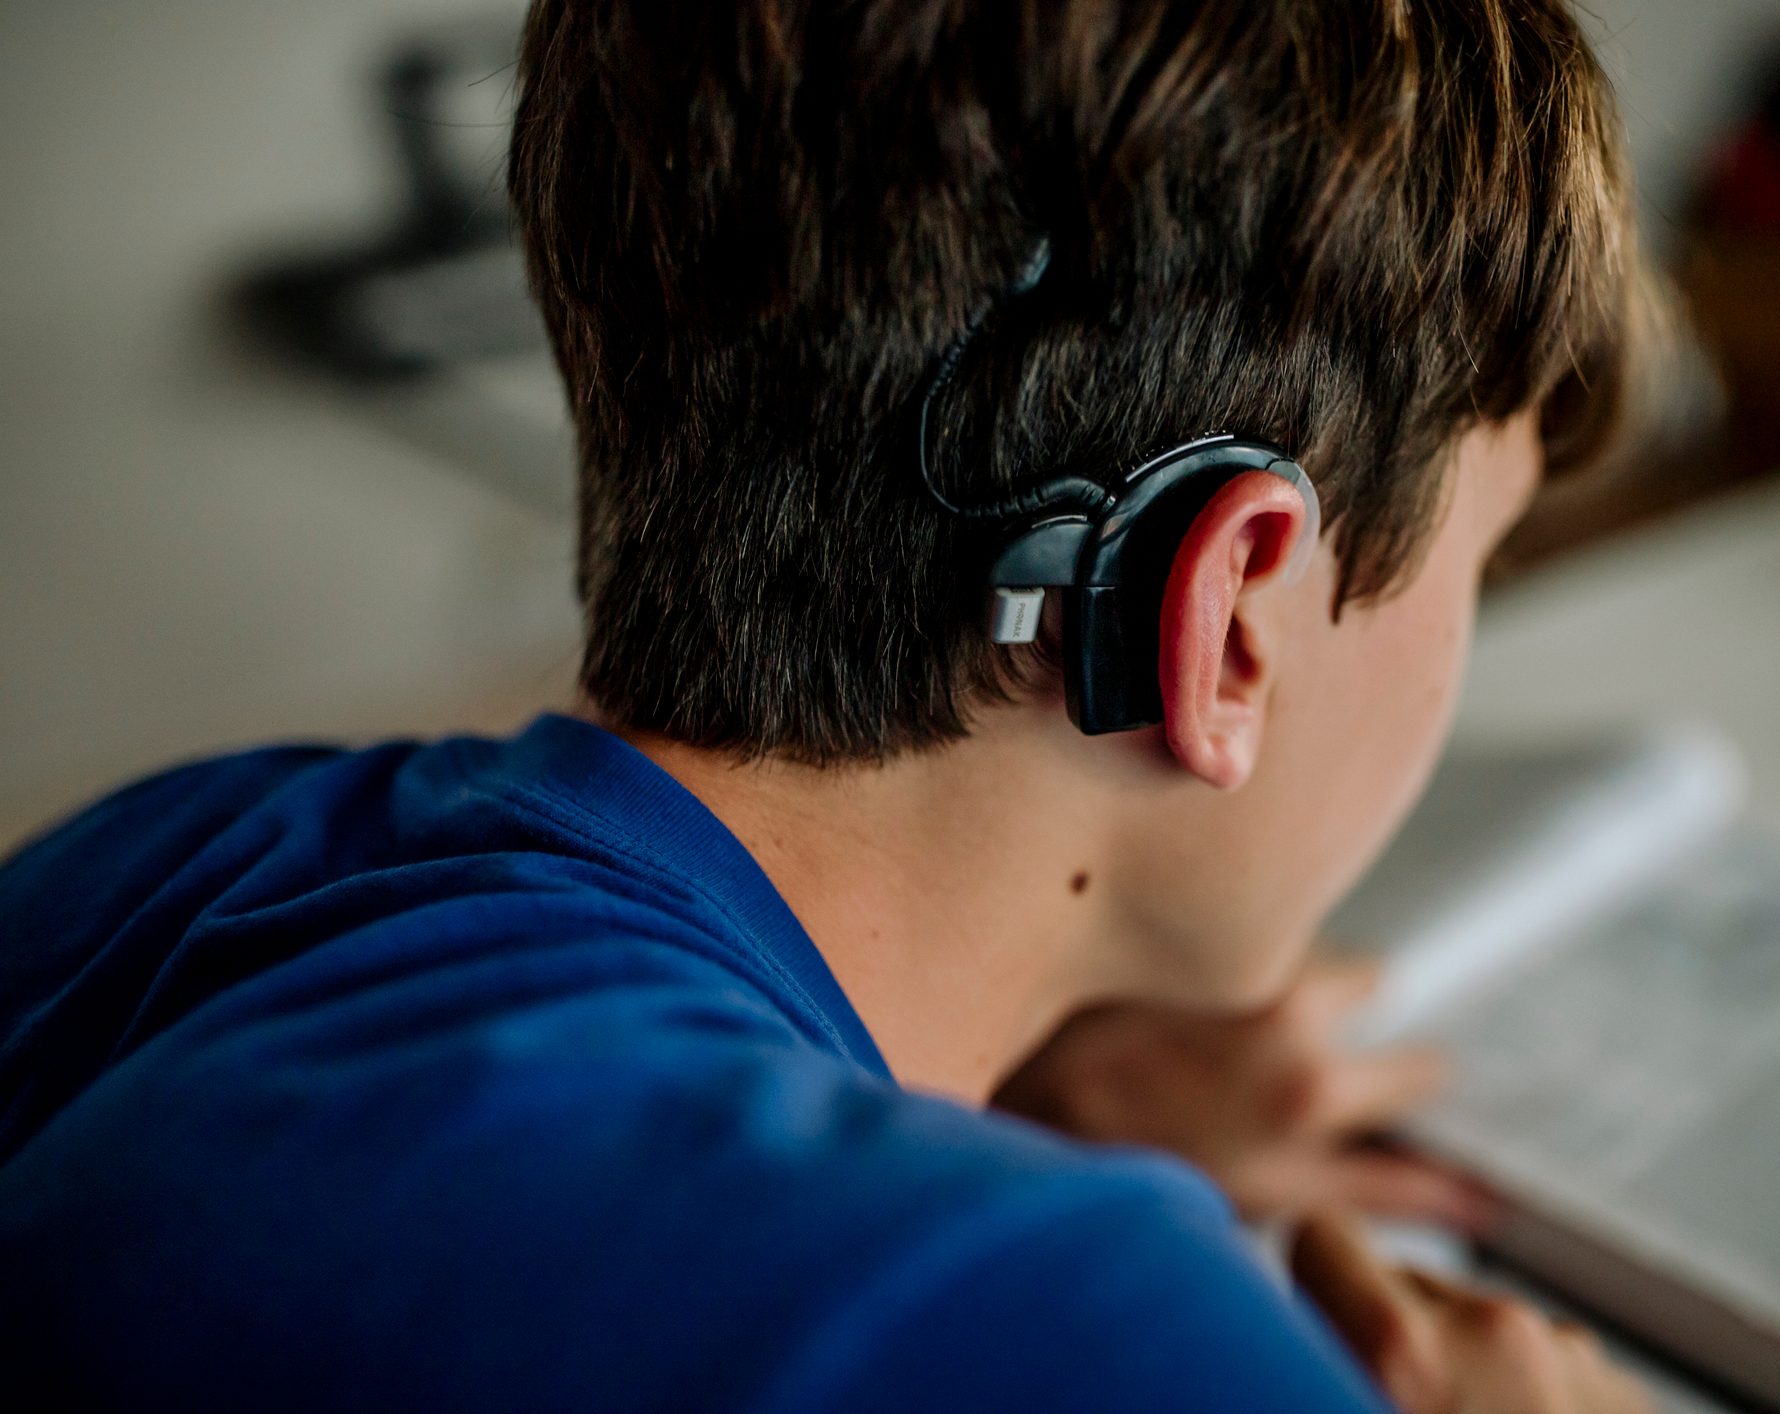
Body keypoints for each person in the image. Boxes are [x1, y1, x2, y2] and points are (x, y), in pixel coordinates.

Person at [0, 0, 1654, 1408]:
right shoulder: (1082, 1324)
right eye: (1485, 556)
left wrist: (1007, 1114)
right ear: (1224, 622)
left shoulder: (169, 856)